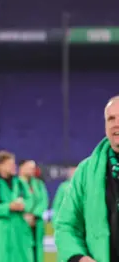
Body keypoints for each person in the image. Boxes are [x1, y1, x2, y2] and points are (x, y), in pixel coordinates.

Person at [54, 95, 119, 262]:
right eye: (111, 118)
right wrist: (79, 258)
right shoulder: (86, 171)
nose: (116, 124)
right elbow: (66, 225)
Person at [0, 150, 33, 262]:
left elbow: (30, 200)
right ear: (1, 166)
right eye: (10, 164)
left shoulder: (20, 183)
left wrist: (24, 206)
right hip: (2, 230)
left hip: (20, 229)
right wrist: (8, 207)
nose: (14, 167)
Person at [18, 159, 49, 262]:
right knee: (21, 251)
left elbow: (44, 201)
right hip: (21, 222)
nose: (32, 170)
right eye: (29, 167)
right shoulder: (15, 183)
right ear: (21, 168)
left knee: (37, 251)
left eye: (33, 167)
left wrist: (34, 214)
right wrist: (25, 214)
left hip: (36, 222)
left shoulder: (38, 184)